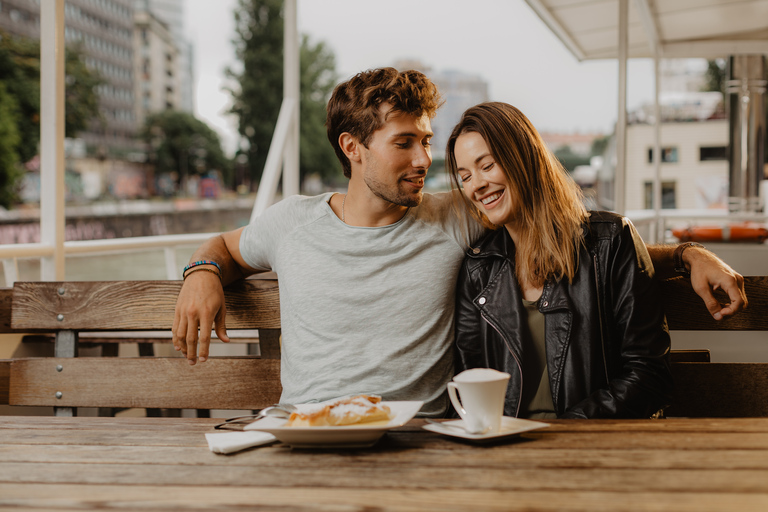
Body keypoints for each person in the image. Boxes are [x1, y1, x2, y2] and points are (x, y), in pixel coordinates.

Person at [172, 68, 746, 416]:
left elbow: (566, 234)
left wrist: (688, 255)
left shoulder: (453, 216)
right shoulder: (288, 222)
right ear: (352, 147)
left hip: (419, 437)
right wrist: (200, 271)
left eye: (426, 141)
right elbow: (223, 247)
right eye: (405, 143)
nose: (425, 161)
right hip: (299, 431)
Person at [448, 102, 674, 418]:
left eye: (487, 166)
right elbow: (469, 380)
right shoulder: (478, 268)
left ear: (523, 158)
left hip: (591, 444)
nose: (477, 185)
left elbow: (649, 375)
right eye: (465, 176)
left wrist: (565, 430)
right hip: (507, 450)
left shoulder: (610, 242)